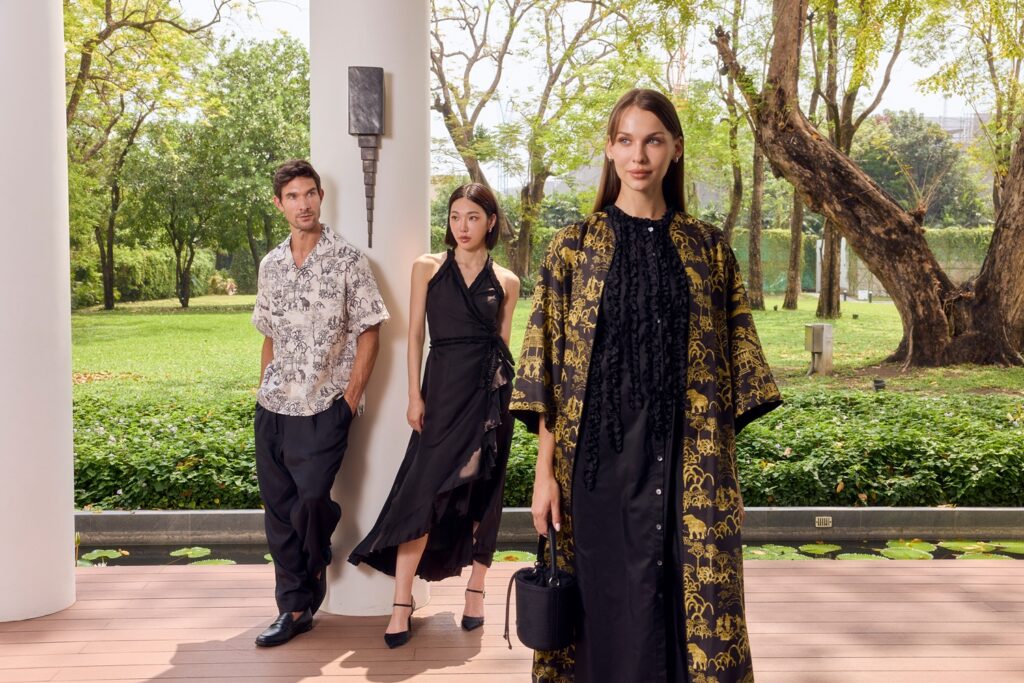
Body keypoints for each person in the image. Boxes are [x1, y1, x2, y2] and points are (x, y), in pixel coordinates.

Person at [511, 89, 782, 683]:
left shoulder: (710, 251)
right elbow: (545, 372)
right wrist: (543, 475)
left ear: (675, 149)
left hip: (689, 463)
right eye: (627, 141)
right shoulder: (571, 248)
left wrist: (724, 477)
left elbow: (733, 374)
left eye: (653, 140)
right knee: (600, 619)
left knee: (689, 615)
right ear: (610, 150)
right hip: (593, 471)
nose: (639, 156)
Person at [348, 183, 520, 648]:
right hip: (441, 393)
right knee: (422, 492)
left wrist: (500, 406)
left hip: (487, 399)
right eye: (455, 216)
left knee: (485, 493)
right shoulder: (427, 267)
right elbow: (415, 338)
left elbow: (503, 348)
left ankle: (476, 592)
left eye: (473, 217)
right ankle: (401, 602)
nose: (462, 226)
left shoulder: (506, 281)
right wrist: (414, 396)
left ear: (490, 222)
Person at [251, 159, 389, 647]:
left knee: (311, 501)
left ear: (320, 197)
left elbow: (370, 331)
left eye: (310, 193)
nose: (303, 203)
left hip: (324, 407)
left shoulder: (348, 260)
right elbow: (269, 334)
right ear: (279, 204)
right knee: (278, 510)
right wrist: (263, 388)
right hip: (274, 407)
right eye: (293, 196)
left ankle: (313, 562)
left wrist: (348, 401)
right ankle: (293, 608)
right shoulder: (270, 265)